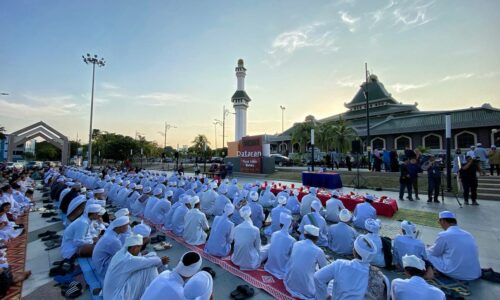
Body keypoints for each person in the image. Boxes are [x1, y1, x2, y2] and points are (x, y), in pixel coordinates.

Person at [103, 234, 169, 300]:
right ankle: (155, 295)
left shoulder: (120, 254)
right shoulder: (128, 259)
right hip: (117, 297)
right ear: (134, 248)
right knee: (150, 269)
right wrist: (161, 260)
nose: (139, 250)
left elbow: (141, 260)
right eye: (139, 248)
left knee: (150, 260)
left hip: (109, 296)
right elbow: (152, 261)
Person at [314, 235, 380, 300]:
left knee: (331, 283)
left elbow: (317, 278)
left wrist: (324, 297)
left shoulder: (340, 264)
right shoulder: (379, 276)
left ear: (354, 251)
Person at [426, 211, 481, 281]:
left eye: (439, 221)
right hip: (475, 273)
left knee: (426, 252)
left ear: (443, 221)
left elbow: (434, 253)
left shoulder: (444, 235)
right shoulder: (468, 234)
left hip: (457, 273)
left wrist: (428, 248)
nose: (439, 223)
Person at [284, 224, 328, 299]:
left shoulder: (296, 243)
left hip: (290, 282)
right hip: (307, 289)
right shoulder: (318, 251)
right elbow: (325, 270)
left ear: (304, 235)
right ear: (317, 238)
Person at [91, 216, 130, 281]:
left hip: (99, 264)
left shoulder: (111, 232)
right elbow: (123, 257)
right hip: (102, 269)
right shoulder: (113, 240)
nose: (128, 227)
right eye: (127, 225)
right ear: (120, 227)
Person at [231, 206, 265, 270]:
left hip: (236, 259)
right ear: (251, 214)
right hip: (250, 262)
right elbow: (258, 247)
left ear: (241, 216)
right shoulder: (255, 229)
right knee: (267, 249)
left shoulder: (236, 228)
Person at [264, 213, 296, 279]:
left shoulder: (274, 234)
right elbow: (292, 256)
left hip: (270, 266)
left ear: (280, 224)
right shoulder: (292, 240)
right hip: (282, 269)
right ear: (290, 225)